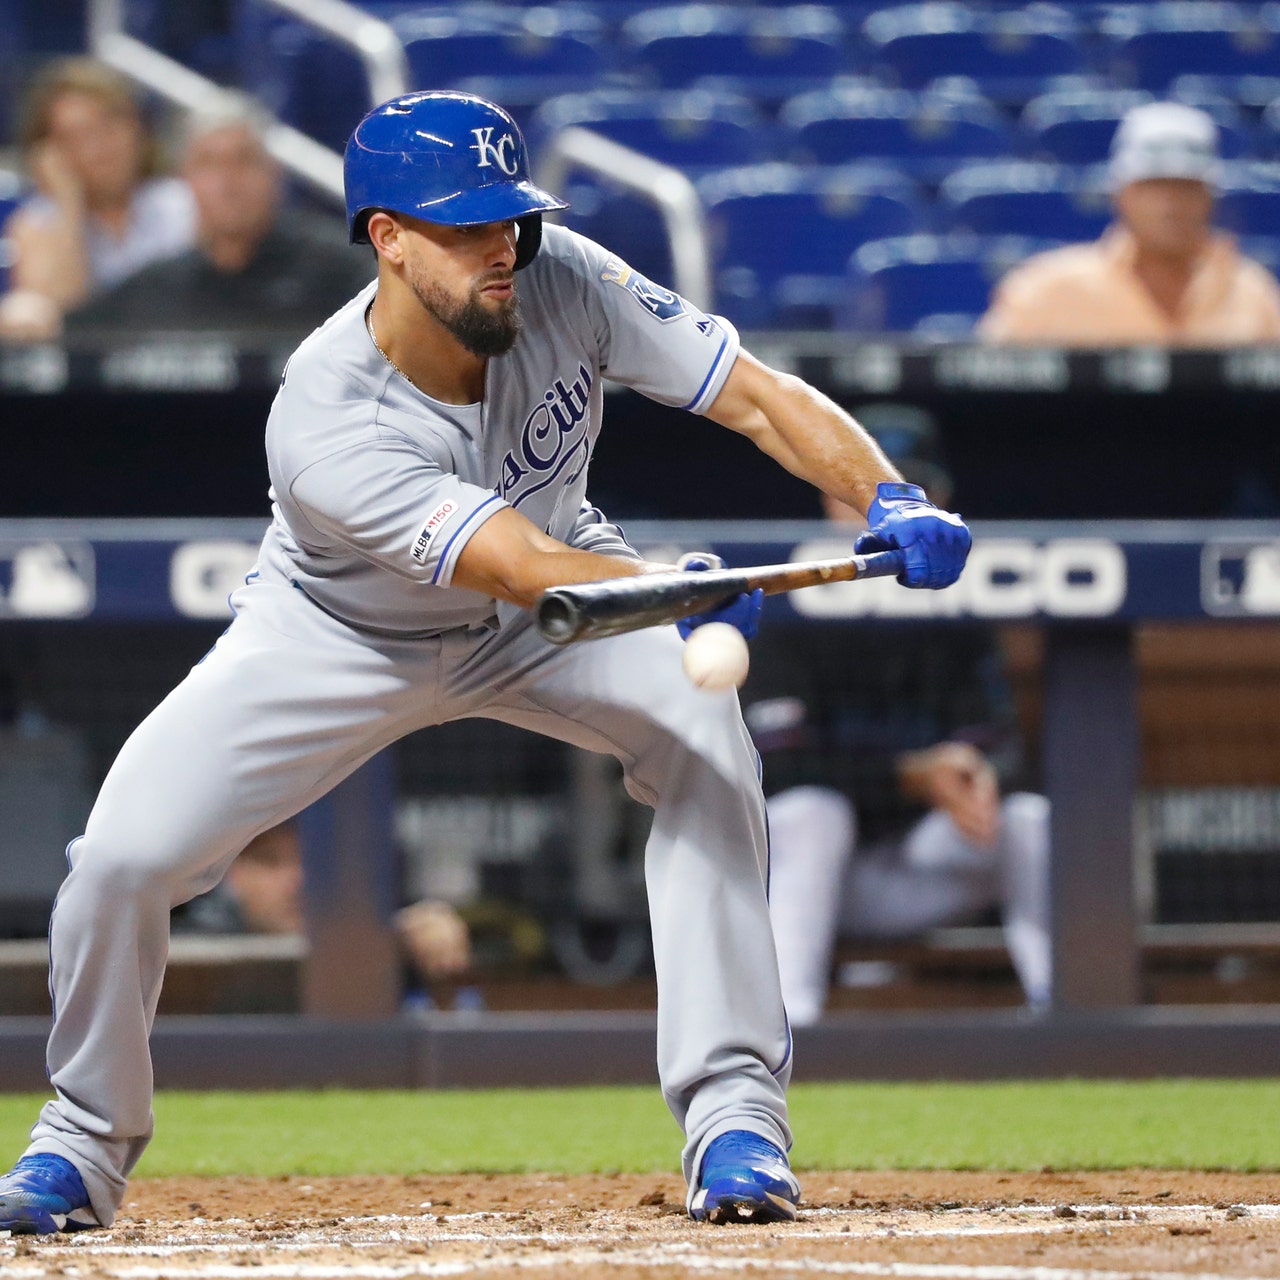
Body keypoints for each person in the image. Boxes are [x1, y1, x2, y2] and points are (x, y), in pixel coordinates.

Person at [0, 90, 969, 1234]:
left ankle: (734, 1114)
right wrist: (681, 594)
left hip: (556, 594)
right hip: (341, 632)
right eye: (462, 227)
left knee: (703, 738)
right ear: (388, 239)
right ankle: (81, 1137)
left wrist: (883, 489)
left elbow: (752, 393)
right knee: (119, 857)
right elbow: (516, 567)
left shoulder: (563, 278)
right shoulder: (326, 412)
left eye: (505, 217)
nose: (498, 247)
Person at [747, 405, 1051, 1025]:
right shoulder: (783, 604)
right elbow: (774, 772)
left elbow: (1006, 750)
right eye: (864, 492)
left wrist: (977, 772)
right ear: (828, 497)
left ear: (940, 503)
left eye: (909, 495)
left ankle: (1063, 1012)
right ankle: (786, 1027)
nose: (882, 517)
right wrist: (905, 774)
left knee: (1026, 819)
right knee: (813, 814)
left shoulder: (959, 610)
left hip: (909, 871)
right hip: (799, 876)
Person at [978, 101, 1280, 345]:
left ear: (1209, 196)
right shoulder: (1044, 290)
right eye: (1153, 186)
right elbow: (979, 396)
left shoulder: (1253, 293)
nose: (1169, 204)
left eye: (1185, 186)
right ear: (1121, 193)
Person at [70, 91, 373, 333]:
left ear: (274, 175)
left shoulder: (344, 273)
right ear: (185, 180)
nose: (229, 181)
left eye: (244, 160)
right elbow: (78, 332)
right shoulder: (155, 289)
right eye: (210, 164)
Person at [0, 58, 196, 342]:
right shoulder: (38, 223)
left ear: (137, 129)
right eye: (75, 137)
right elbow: (58, 316)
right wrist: (68, 203)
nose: (98, 148)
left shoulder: (182, 203)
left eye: (108, 126)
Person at [174, 824, 473, 1001]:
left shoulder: (383, 946)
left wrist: (409, 939)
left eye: (316, 857)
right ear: (229, 874)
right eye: (269, 861)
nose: (297, 881)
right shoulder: (180, 959)